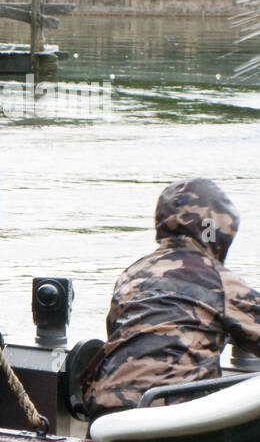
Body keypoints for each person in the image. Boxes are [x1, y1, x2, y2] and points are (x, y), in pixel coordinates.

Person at [83, 177, 260, 416]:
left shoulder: (133, 274)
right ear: (214, 229)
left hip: (108, 410)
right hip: (174, 415)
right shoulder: (218, 279)